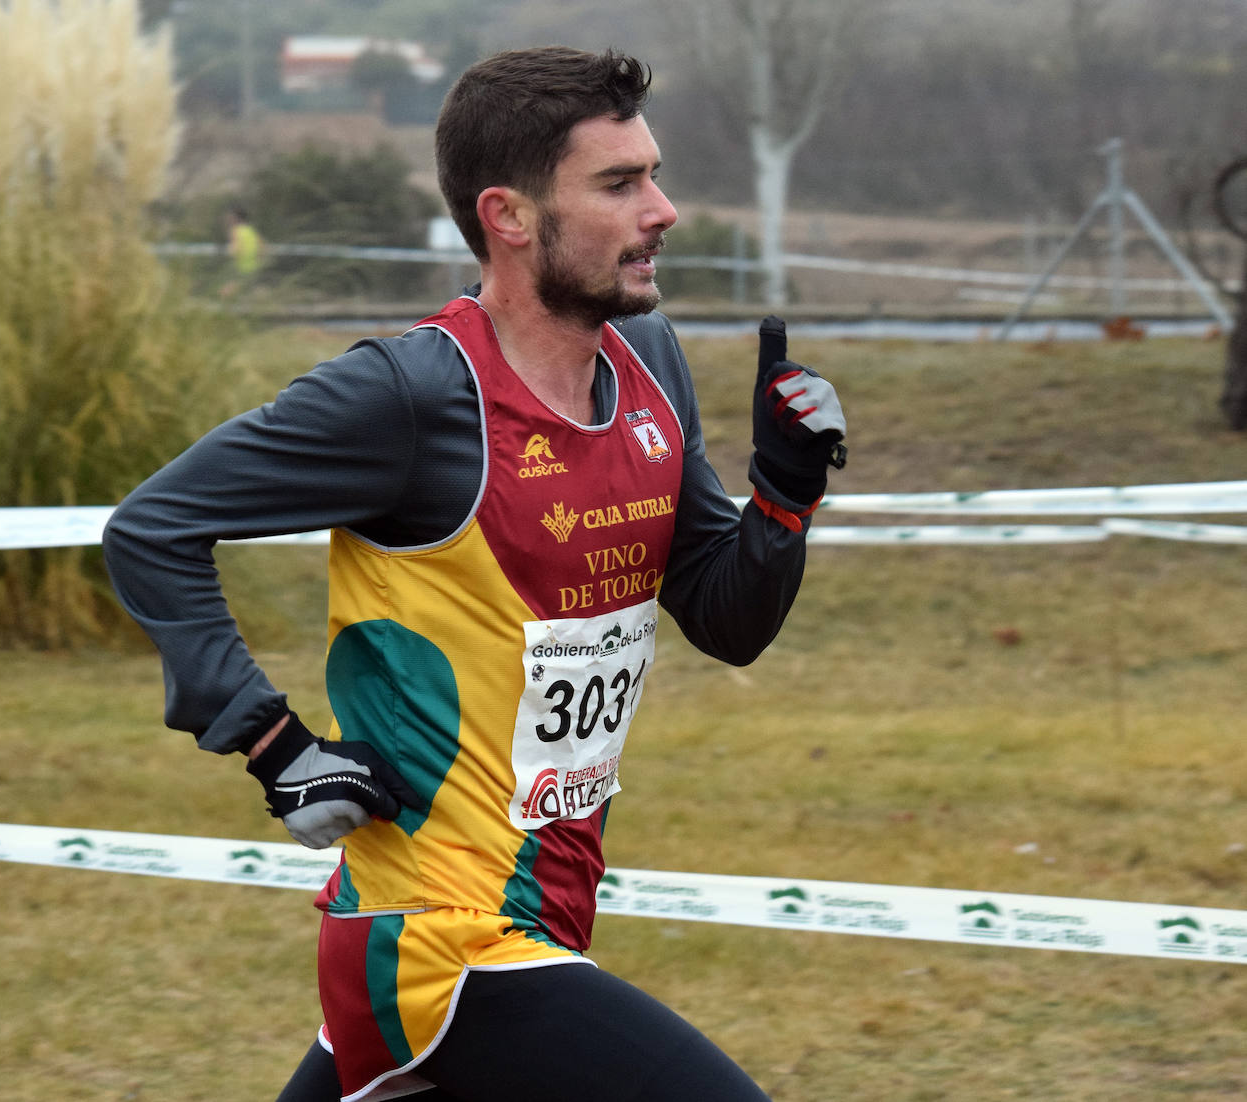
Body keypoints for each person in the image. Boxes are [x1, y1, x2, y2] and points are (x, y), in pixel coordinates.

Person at [103, 45, 846, 1102]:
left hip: (538, 913)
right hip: (439, 941)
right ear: (508, 215)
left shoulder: (648, 363)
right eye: (621, 183)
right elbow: (154, 526)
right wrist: (274, 744)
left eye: (655, 174)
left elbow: (726, 618)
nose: (664, 209)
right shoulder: (409, 394)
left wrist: (784, 493)